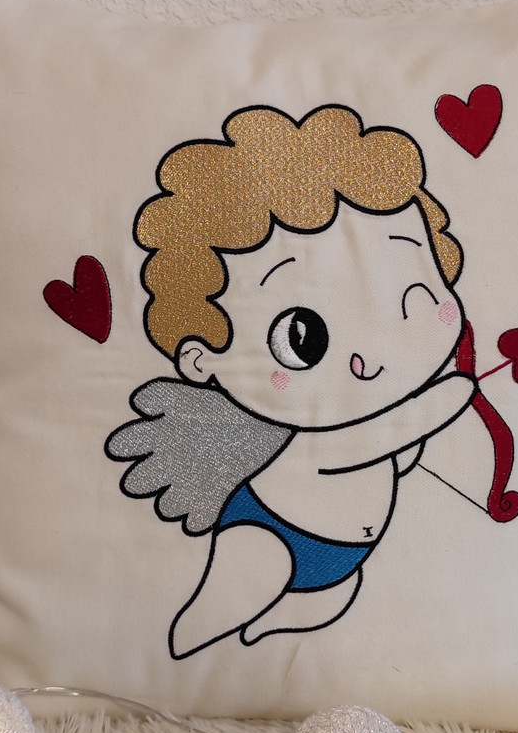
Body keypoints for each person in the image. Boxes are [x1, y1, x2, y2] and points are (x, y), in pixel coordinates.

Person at [106, 103, 477, 659]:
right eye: (304, 339)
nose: (368, 358)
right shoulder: (332, 438)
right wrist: (450, 396)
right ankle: (192, 638)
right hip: (273, 532)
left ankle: (267, 629)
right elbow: (380, 438)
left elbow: (395, 452)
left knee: (331, 600)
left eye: (412, 296)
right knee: (243, 586)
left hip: (344, 558)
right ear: (203, 360)